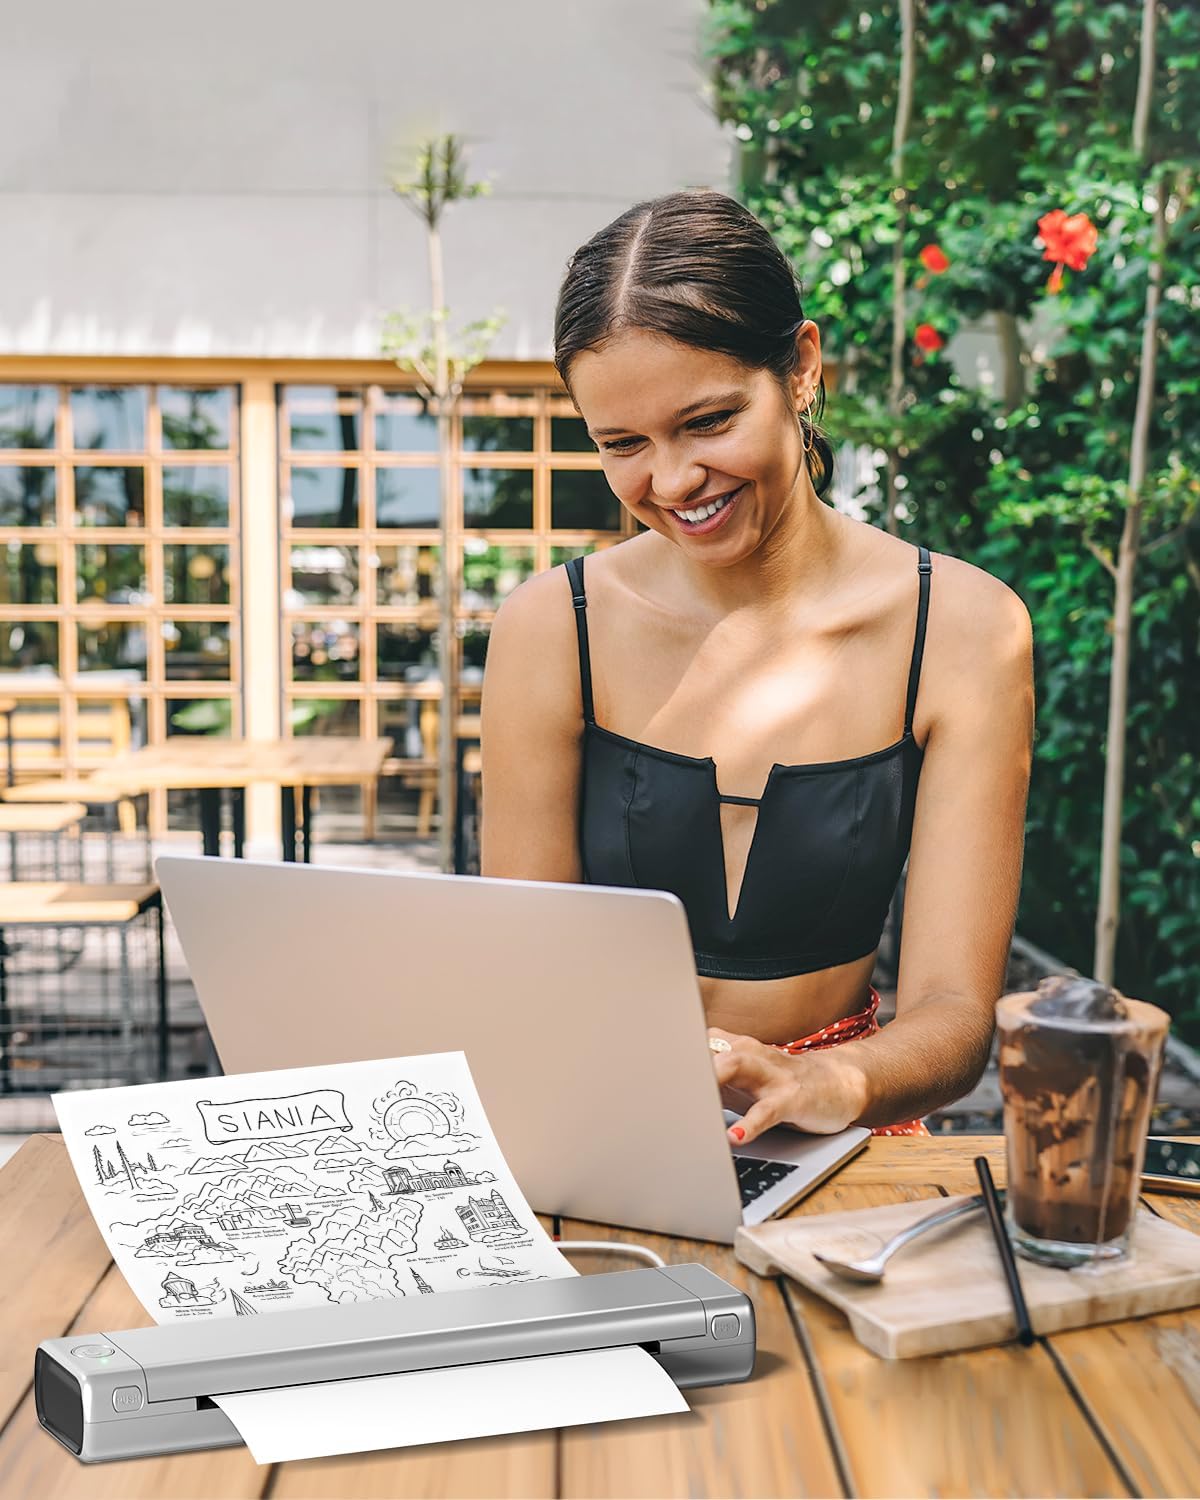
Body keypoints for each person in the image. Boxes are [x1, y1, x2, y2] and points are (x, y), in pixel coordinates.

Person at [480, 190, 1034, 1145]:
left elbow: (954, 1017)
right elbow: (529, 968)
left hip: (848, 1134)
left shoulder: (964, 629)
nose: (671, 481)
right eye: (623, 445)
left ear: (802, 368)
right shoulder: (549, 629)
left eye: (707, 422)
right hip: (604, 1127)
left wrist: (833, 1081)